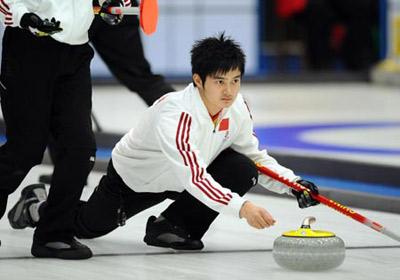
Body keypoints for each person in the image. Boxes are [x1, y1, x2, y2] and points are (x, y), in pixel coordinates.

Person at [8, 33, 320, 251]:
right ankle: (36, 207)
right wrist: (243, 207)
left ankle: (172, 227)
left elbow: (255, 156)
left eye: (236, 80)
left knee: (242, 168)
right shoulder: (177, 115)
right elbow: (194, 178)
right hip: (135, 179)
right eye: (220, 82)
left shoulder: (236, 108)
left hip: (183, 177)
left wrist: (294, 184)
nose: (229, 91)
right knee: (89, 226)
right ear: (198, 80)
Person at [39, 0, 175, 185]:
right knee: (141, 77)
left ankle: (70, 171)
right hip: (115, 6)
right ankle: (193, 130)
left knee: (59, 84)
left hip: (77, 9)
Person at [0, 0, 97, 259]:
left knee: (80, 149)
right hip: (29, 49)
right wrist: (25, 18)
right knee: (25, 149)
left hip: (76, 52)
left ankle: (54, 234)